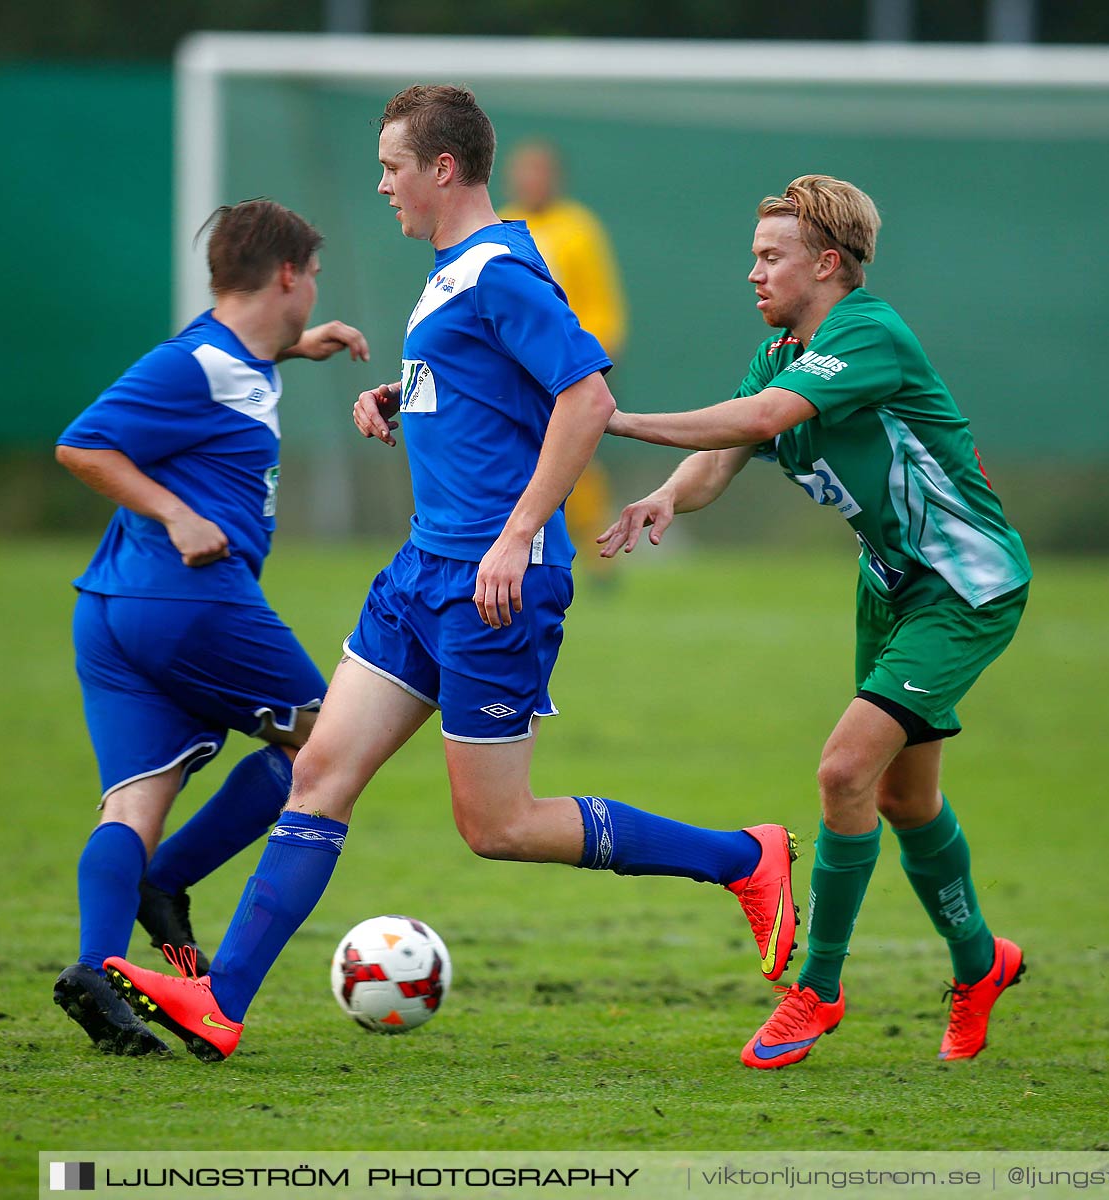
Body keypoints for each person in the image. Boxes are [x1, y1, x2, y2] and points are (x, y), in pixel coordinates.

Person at [103, 85, 797, 1063]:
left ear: (440, 170)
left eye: (392, 166)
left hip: (490, 586)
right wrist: (407, 396)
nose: (380, 184)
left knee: (498, 825)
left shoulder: (503, 268)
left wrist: (517, 536)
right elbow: (490, 384)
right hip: (421, 572)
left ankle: (744, 859)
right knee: (320, 774)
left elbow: (587, 401)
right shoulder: (450, 273)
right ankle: (220, 1002)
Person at [597, 175, 1031, 1069]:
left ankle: (818, 989)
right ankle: (980, 964)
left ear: (828, 264)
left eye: (770, 257)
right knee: (906, 798)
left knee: (843, 773)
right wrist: (665, 498)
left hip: (962, 583)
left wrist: (623, 421)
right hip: (890, 586)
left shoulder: (867, 332)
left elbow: (760, 419)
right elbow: (728, 454)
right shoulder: (782, 354)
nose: (751, 273)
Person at [52, 199, 370, 1056]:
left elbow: (236, 367)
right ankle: (170, 886)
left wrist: (296, 351)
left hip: (112, 613)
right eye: (313, 279)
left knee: (133, 802)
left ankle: (96, 970)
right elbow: (82, 445)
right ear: (290, 275)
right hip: (187, 601)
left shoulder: (233, 353)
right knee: (331, 741)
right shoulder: (194, 362)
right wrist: (179, 516)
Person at [498, 140, 628, 583]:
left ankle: (596, 552)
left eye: (539, 171)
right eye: (523, 171)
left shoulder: (578, 228)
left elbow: (600, 301)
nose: (530, 181)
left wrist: (590, 355)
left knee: (575, 458)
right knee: (518, 456)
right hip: (515, 367)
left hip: (564, 365)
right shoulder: (502, 223)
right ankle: (509, 546)